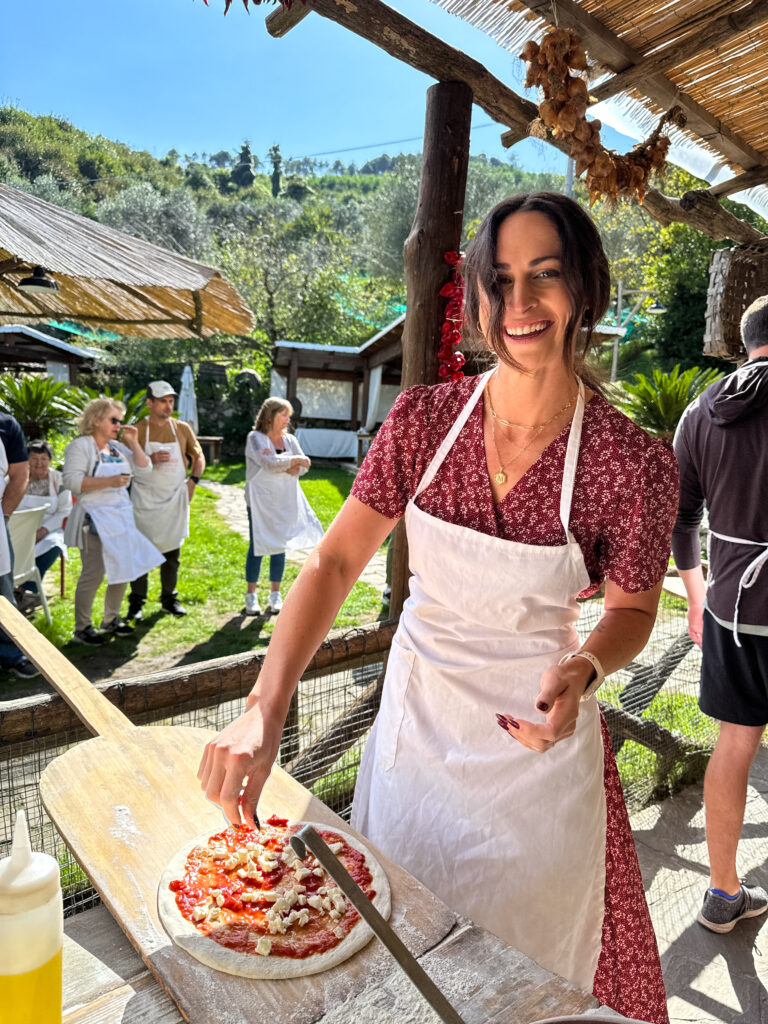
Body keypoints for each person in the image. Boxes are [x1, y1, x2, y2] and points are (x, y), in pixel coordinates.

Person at [198, 193, 677, 1023]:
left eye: (545, 276)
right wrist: (263, 709)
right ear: (479, 302)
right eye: (499, 282)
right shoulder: (424, 421)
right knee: (397, 968)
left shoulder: (633, 462)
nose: (520, 303)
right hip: (414, 746)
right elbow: (337, 558)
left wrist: (589, 665)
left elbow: (634, 609)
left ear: (587, 290)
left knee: (523, 985)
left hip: (537, 765)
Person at [672, 294, 768, 934]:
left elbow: (680, 521)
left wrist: (698, 595)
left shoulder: (701, 411)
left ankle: (723, 893)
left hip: (733, 609)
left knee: (734, 743)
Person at [62, 398, 165, 645]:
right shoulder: (81, 446)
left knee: (123, 569)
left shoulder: (117, 448)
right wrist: (109, 482)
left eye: (120, 420)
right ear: (96, 420)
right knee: (94, 573)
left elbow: (145, 468)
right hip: (93, 519)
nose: (118, 425)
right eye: (113, 420)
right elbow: (72, 481)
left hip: (119, 519)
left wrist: (133, 442)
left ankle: (110, 619)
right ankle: (82, 627)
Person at [127, 381, 206, 621]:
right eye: (162, 401)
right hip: (144, 499)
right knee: (140, 552)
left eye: (170, 401)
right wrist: (148, 458)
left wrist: (193, 480)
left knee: (172, 553)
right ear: (149, 402)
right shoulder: (137, 430)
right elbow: (126, 464)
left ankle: (169, 598)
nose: (168, 406)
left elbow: (198, 455)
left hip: (173, 499)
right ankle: (136, 603)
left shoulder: (181, 428)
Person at [242, 398, 323, 616]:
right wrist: (294, 460)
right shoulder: (255, 438)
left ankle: (275, 595)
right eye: (284, 414)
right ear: (270, 416)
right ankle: (251, 596)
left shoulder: (290, 440)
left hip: (283, 502)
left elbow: (304, 466)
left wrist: (291, 464)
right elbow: (268, 464)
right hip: (259, 503)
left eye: (288, 415)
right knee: (258, 545)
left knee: (279, 545)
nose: (288, 419)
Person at [0, 412, 40, 679]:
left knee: (2, 591)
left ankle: (10, 653)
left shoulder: (5, 425)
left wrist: (2, 516)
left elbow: (20, 473)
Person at [15, 440, 72, 610]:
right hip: (20, 525)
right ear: (27, 460)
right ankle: (10, 588)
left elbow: (65, 510)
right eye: (34, 458)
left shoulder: (59, 480)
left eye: (44, 458)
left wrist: (44, 530)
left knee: (54, 545)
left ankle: (24, 591)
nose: (39, 463)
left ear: (50, 460)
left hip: (49, 527)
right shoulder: (17, 478)